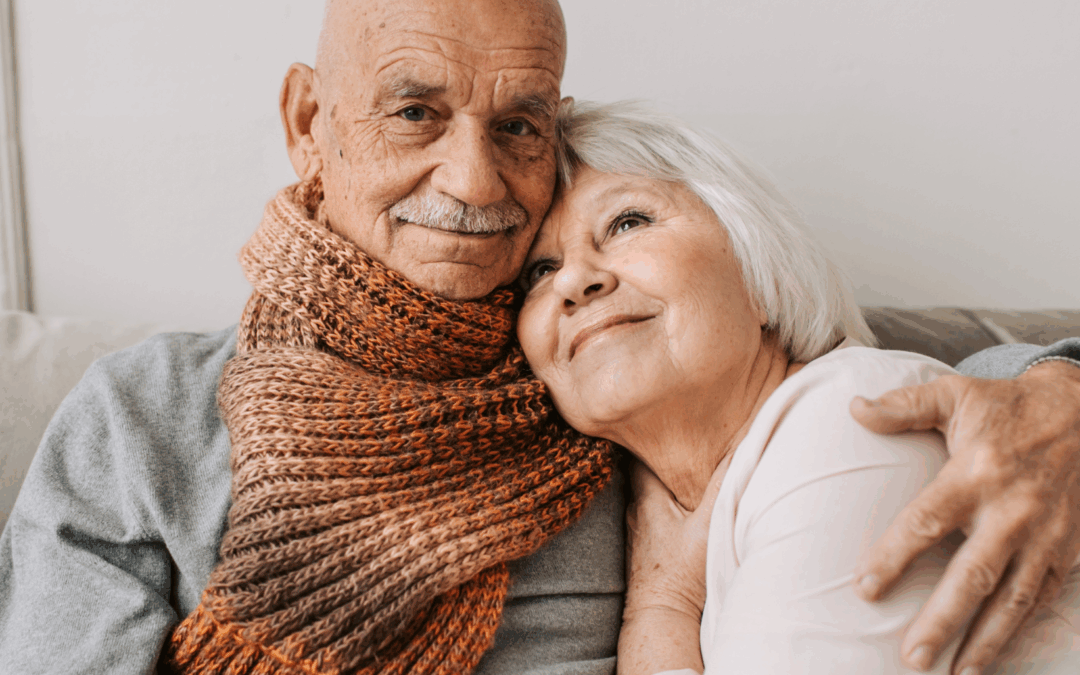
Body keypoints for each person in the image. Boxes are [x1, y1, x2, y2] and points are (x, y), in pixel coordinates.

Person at [0, 0, 1078, 672]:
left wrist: (1055, 390)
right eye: (415, 111)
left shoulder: (599, 363)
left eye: (519, 127)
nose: (475, 183)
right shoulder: (139, 418)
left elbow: (858, 371)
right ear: (307, 124)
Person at [514, 100, 1080, 675]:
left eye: (628, 222)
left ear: (763, 271)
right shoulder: (705, 511)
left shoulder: (855, 418)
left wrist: (662, 606)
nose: (576, 280)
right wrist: (667, 597)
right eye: (540, 270)